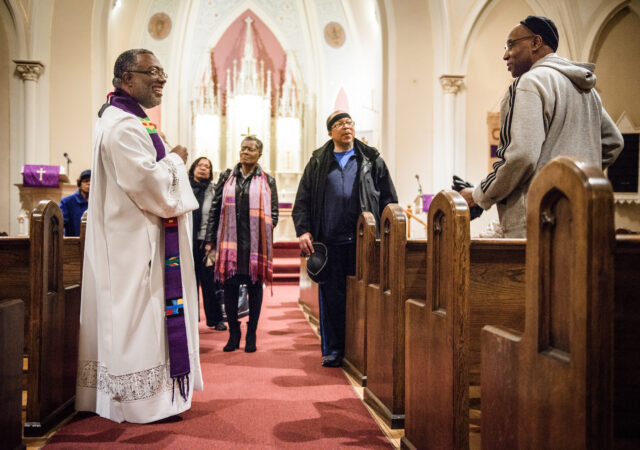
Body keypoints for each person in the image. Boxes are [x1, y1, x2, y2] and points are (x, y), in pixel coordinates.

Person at [76, 48, 203, 423]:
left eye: (162, 71)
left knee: (144, 320)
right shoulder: (123, 125)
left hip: (140, 240)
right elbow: (153, 187)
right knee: (138, 320)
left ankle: (148, 397)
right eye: (153, 72)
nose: (161, 78)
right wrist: (177, 159)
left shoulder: (130, 119)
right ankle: (139, 403)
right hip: (135, 246)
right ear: (126, 78)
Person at [459, 16, 624, 238]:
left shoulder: (529, 83)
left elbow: (521, 156)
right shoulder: (586, 91)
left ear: (536, 43)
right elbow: (614, 142)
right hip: (581, 215)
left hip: (538, 222)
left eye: (511, 45)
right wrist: (571, 181)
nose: (505, 54)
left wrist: (478, 195)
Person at [292, 110, 397, 367]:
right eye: (339, 124)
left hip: (364, 240)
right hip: (328, 240)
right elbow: (302, 199)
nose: (346, 127)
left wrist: (387, 231)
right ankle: (334, 349)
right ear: (330, 132)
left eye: (349, 122)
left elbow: (389, 199)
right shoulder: (318, 161)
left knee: (365, 295)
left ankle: (363, 347)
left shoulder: (371, 159)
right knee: (331, 297)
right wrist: (303, 230)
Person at [204, 136, 278, 353]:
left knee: (255, 288)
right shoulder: (227, 177)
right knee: (229, 287)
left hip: (255, 246)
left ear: (259, 154)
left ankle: (252, 332)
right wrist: (210, 239)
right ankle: (234, 333)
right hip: (231, 243)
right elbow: (216, 209)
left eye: (251, 149)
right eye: (243, 148)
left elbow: (273, 211)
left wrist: (267, 229)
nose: (245, 152)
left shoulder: (268, 180)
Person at [189, 156, 226, 331]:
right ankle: (189, 319)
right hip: (186, 241)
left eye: (207, 166)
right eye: (200, 165)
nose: (203, 168)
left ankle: (215, 318)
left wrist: (211, 240)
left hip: (206, 241)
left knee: (210, 283)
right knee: (189, 282)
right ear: (193, 168)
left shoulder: (213, 190)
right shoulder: (184, 187)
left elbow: (217, 216)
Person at [59, 169, 90, 236]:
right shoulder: (67, 202)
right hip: (73, 242)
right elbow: (60, 224)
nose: (89, 183)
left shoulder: (98, 203)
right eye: (86, 181)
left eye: (92, 181)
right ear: (80, 183)